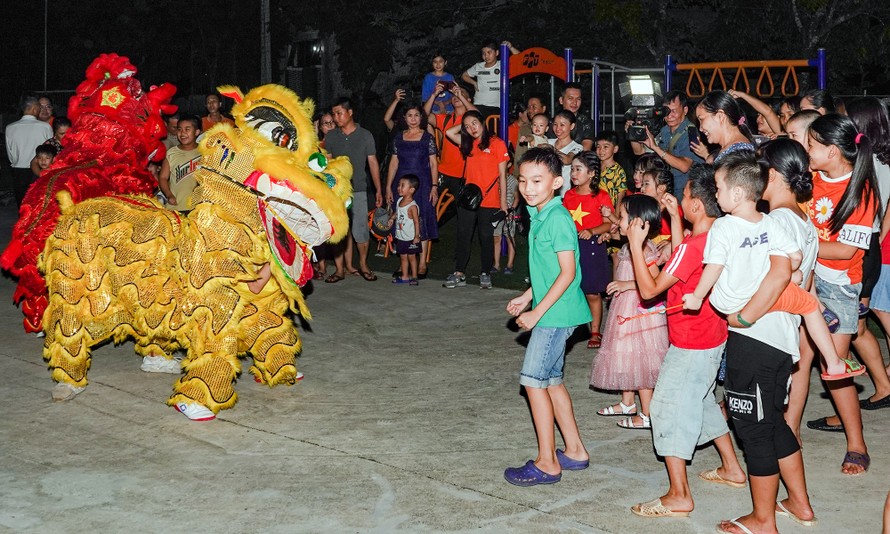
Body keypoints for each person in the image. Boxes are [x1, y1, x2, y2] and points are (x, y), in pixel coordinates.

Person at [628, 164, 746, 518]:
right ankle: (731, 468)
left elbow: (649, 291)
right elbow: (685, 264)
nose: (681, 199)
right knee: (703, 400)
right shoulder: (717, 236)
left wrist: (635, 244)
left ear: (697, 205)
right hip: (712, 338)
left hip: (690, 343)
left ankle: (679, 494)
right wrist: (676, 220)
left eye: (685, 195)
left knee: (667, 408)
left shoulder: (695, 245)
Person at [683, 153, 858, 381]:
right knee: (809, 305)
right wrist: (793, 274)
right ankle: (833, 363)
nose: (716, 195)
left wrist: (697, 296)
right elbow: (795, 255)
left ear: (736, 194)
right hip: (761, 294)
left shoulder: (722, 227)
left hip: (731, 300)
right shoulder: (768, 222)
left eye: (718, 189)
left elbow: (715, 266)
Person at [503, 147, 590, 486]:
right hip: (555, 309)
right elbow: (550, 269)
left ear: (556, 182)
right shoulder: (538, 212)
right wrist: (528, 296)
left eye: (537, 181)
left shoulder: (557, 217)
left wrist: (537, 311)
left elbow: (568, 272)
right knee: (551, 381)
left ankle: (547, 462)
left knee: (533, 381)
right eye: (523, 180)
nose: (528, 187)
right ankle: (576, 451)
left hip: (555, 314)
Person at [801, 113, 878, 476]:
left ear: (832, 151)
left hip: (839, 287)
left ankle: (857, 444)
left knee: (834, 369)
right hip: (808, 277)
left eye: (812, 145)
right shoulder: (813, 178)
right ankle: (789, 430)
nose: (807, 150)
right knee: (800, 358)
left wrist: (799, 244)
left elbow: (846, 253)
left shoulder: (860, 192)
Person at [592, 195, 668, 430]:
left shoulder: (646, 249)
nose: (618, 220)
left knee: (640, 362)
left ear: (637, 222)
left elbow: (655, 282)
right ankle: (627, 403)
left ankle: (648, 413)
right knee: (625, 354)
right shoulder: (628, 245)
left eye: (622, 217)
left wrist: (625, 285)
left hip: (640, 311)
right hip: (624, 307)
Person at [843, 97, 890, 410]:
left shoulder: (868, 161)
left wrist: (878, 243)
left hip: (880, 245)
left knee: (883, 316)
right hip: (879, 242)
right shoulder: (881, 157)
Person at [443, 110, 509, 289]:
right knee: (464, 234)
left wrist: (503, 203)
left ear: (482, 122)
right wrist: (464, 125)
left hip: (490, 198)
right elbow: (449, 133)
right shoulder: (469, 143)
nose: (471, 128)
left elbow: (503, 175)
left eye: (474, 123)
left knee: (486, 236)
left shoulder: (497, 143)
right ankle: (459, 272)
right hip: (469, 198)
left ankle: (485, 272)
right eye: (467, 126)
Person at [324, 96, 383, 283]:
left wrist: (379, 189)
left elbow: (373, 163)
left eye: (339, 113)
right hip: (337, 192)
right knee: (339, 231)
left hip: (358, 189)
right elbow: (328, 163)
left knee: (360, 230)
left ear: (350, 113)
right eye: (334, 113)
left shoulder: (365, 135)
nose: (336, 117)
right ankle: (340, 270)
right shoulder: (331, 136)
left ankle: (364, 265)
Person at [384, 100, 439, 277]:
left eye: (416, 115)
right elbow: (393, 163)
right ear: (404, 118)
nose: (413, 119)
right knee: (401, 219)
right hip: (401, 183)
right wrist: (388, 186)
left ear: (421, 117)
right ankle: (404, 263)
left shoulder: (427, 137)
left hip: (422, 183)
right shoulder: (398, 137)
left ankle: (422, 263)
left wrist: (434, 186)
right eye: (410, 115)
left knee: (421, 218)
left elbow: (433, 163)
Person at [562, 151, 611, 348]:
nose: (573, 173)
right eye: (572, 169)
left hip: (592, 247)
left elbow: (608, 224)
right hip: (571, 247)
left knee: (592, 292)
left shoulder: (601, 196)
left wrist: (591, 231)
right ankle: (570, 327)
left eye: (578, 169)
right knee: (571, 289)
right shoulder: (568, 195)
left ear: (591, 173)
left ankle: (595, 331)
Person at [631, 90, 701, 197]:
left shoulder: (691, 132)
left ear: (685, 110)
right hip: (668, 190)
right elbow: (639, 151)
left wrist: (656, 148)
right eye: (666, 111)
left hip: (686, 192)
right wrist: (633, 133)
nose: (669, 115)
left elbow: (684, 166)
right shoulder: (664, 130)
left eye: (674, 111)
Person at [425, 82, 477, 226]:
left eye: (460, 94)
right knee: (427, 203)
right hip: (443, 171)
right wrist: (434, 94)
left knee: (464, 217)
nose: (456, 96)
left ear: (469, 100)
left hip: (462, 175)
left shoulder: (472, 121)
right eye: (454, 94)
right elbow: (424, 117)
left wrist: (461, 95)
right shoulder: (446, 118)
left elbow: (478, 116)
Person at [5, 94, 53, 206]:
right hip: (39, 170)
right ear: (34, 108)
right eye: (39, 107)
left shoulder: (10, 127)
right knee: (38, 205)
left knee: (22, 206)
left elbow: (10, 154)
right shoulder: (45, 127)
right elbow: (50, 150)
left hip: (18, 171)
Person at [461, 40, 519, 120]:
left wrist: (510, 47)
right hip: (479, 105)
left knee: (493, 131)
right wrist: (474, 83)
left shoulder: (503, 64)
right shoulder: (478, 66)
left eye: (489, 52)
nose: (486, 56)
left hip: (496, 106)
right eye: (483, 53)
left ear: (497, 53)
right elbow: (464, 75)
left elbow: (520, 59)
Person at [692, 90, 755, 164]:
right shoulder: (731, 150)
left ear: (720, 116)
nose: (700, 128)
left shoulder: (740, 153)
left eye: (701, 119)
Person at [158, 114, 202, 211]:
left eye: (187, 129)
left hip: (198, 209)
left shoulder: (205, 152)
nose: (182, 133)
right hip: (176, 208)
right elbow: (163, 177)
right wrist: (169, 195)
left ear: (197, 132)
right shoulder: (171, 153)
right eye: (179, 129)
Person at [390, 175, 422, 286]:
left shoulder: (412, 206)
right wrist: (391, 219)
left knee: (412, 257)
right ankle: (404, 276)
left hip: (410, 237)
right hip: (401, 236)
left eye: (403, 185)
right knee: (403, 257)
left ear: (412, 190)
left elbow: (416, 222)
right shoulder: (399, 200)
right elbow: (397, 212)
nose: (399, 187)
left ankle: (414, 276)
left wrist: (417, 236)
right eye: (399, 185)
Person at [547, 110, 583, 195]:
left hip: (565, 195)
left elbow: (567, 160)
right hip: (546, 193)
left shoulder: (577, 147)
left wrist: (550, 148)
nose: (558, 128)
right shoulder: (548, 142)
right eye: (555, 124)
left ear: (572, 126)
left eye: (562, 125)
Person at [492, 171, 519, 274]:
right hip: (497, 213)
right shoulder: (495, 178)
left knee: (509, 237)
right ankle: (496, 264)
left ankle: (509, 265)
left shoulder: (512, 180)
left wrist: (511, 210)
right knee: (496, 238)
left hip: (509, 214)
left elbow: (516, 198)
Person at [595, 130, 627, 212]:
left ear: (615, 149)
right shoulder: (593, 167)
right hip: (595, 209)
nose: (601, 150)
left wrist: (616, 218)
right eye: (598, 147)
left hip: (609, 213)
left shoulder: (618, 171)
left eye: (606, 147)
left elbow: (620, 197)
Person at [557, 82, 595, 150]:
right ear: (561, 100)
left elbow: (585, 150)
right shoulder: (551, 123)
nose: (574, 103)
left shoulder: (586, 123)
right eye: (570, 98)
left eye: (578, 99)